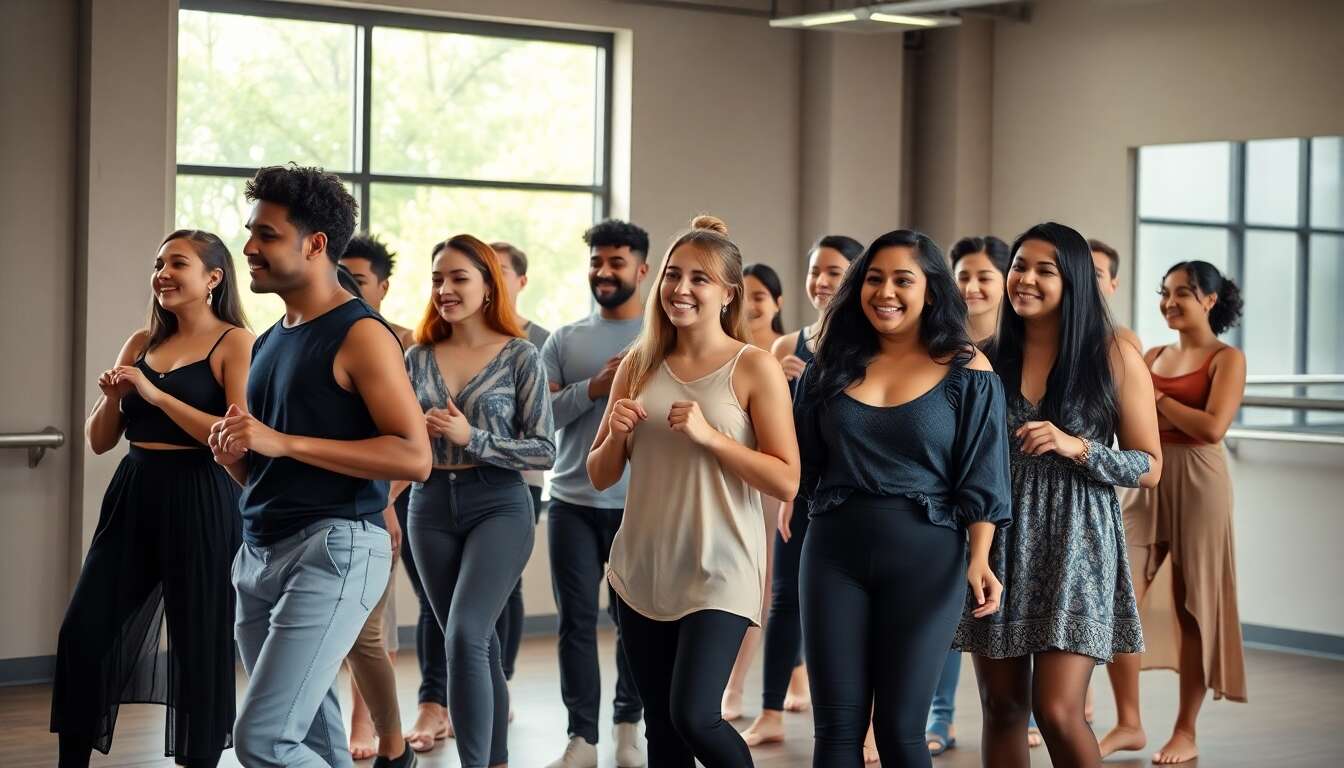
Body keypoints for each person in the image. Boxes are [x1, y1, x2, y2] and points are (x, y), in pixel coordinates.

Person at [211, 163, 431, 768]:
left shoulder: (362, 335)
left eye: (267, 235)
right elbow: (272, 471)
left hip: (334, 549)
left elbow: (415, 456)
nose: (249, 248)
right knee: (306, 738)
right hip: (259, 552)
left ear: (314, 244)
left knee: (263, 742)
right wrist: (238, 461)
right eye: (249, 232)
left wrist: (282, 441)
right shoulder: (270, 340)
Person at [794, 229, 1011, 768]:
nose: (885, 291)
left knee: (899, 730)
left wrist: (980, 558)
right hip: (832, 553)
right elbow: (799, 465)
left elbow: (984, 478)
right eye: (873, 278)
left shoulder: (969, 370)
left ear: (931, 291)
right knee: (838, 732)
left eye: (902, 280)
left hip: (927, 557)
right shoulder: (828, 364)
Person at [588, 215, 799, 767]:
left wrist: (711, 437)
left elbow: (785, 476)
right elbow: (600, 473)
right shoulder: (638, 364)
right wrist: (616, 434)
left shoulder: (754, 368)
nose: (681, 289)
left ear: (729, 293)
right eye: (673, 276)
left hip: (721, 566)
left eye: (700, 279)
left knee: (694, 715)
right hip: (643, 566)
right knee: (662, 727)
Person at [953, 222, 1162, 768]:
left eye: (1045, 270)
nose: (1025, 279)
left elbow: (1149, 466)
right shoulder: (983, 359)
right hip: (999, 542)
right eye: (1020, 266)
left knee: (1058, 709)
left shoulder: (1112, 356)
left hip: (1078, 547)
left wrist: (1078, 447)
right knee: (1000, 707)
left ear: (1073, 280)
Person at [51, 230, 252, 768]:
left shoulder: (235, 342)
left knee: (199, 643)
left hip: (202, 494)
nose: (162, 273)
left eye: (177, 264)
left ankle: (199, 759)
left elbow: (236, 434)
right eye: (158, 263)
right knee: (83, 631)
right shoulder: (141, 342)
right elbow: (98, 441)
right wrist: (116, 398)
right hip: (134, 490)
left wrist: (155, 394)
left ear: (213, 278)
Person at [399, 234, 555, 768]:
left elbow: (545, 448)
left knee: (464, 635)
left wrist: (473, 438)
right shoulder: (415, 357)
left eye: (459, 278)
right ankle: (495, 761)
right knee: (476, 644)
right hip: (429, 505)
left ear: (489, 286)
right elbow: (396, 439)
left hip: (500, 504)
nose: (445, 288)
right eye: (438, 278)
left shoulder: (521, 355)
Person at [1100, 260, 1248, 765]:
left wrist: (1156, 396)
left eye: (1183, 293)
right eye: (1165, 292)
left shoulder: (1225, 359)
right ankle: (1129, 722)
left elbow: (1211, 428)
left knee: (1194, 604)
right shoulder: (1155, 353)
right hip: (1150, 477)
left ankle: (1186, 730)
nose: (1169, 302)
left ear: (1210, 299)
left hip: (1201, 480)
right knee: (1120, 596)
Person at [741, 235, 862, 749]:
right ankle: (769, 713)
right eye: (816, 271)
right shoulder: (786, 346)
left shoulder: (873, 343)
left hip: (857, 491)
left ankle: (867, 723)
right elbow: (771, 430)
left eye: (835, 271)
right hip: (805, 490)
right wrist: (789, 382)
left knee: (860, 611)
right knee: (785, 599)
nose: (822, 281)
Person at [543, 220, 651, 768]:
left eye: (616, 263)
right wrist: (594, 388)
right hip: (571, 503)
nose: (604, 273)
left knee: (633, 620)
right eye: (596, 263)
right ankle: (581, 736)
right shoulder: (565, 339)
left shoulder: (658, 339)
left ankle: (628, 726)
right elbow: (544, 415)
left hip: (639, 506)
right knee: (575, 621)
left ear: (642, 270)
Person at [926, 234, 1022, 757]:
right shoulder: (940, 344)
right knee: (944, 619)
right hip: (947, 500)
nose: (972, 286)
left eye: (985, 276)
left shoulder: (1018, 349)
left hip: (1008, 503)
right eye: (963, 275)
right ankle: (936, 717)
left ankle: (1003, 713)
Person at [336, 233, 414, 762]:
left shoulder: (402, 341)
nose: (347, 287)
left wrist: (385, 503)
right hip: (341, 494)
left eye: (359, 279)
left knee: (370, 624)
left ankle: (373, 728)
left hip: (387, 497)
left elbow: (413, 439)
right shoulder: (324, 333)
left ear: (383, 286)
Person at [721, 261, 787, 722]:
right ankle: (737, 684)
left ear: (777, 303)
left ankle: (740, 686)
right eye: (744, 293)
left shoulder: (785, 354)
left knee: (768, 591)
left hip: (771, 484)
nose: (752, 303)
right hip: (726, 481)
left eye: (761, 295)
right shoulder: (725, 352)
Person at [490, 240, 550, 685]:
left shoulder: (540, 342)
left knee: (507, 582)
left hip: (522, 480)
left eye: (502, 269)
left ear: (521, 281)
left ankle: (501, 681)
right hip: (465, 477)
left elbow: (543, 429)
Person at [1090, 238, 1142, 352]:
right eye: (1081, 271)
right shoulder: (1049, 332)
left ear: (1113, 285)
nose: (1086, 279)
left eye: (1096, 274)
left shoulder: (1125, 340)